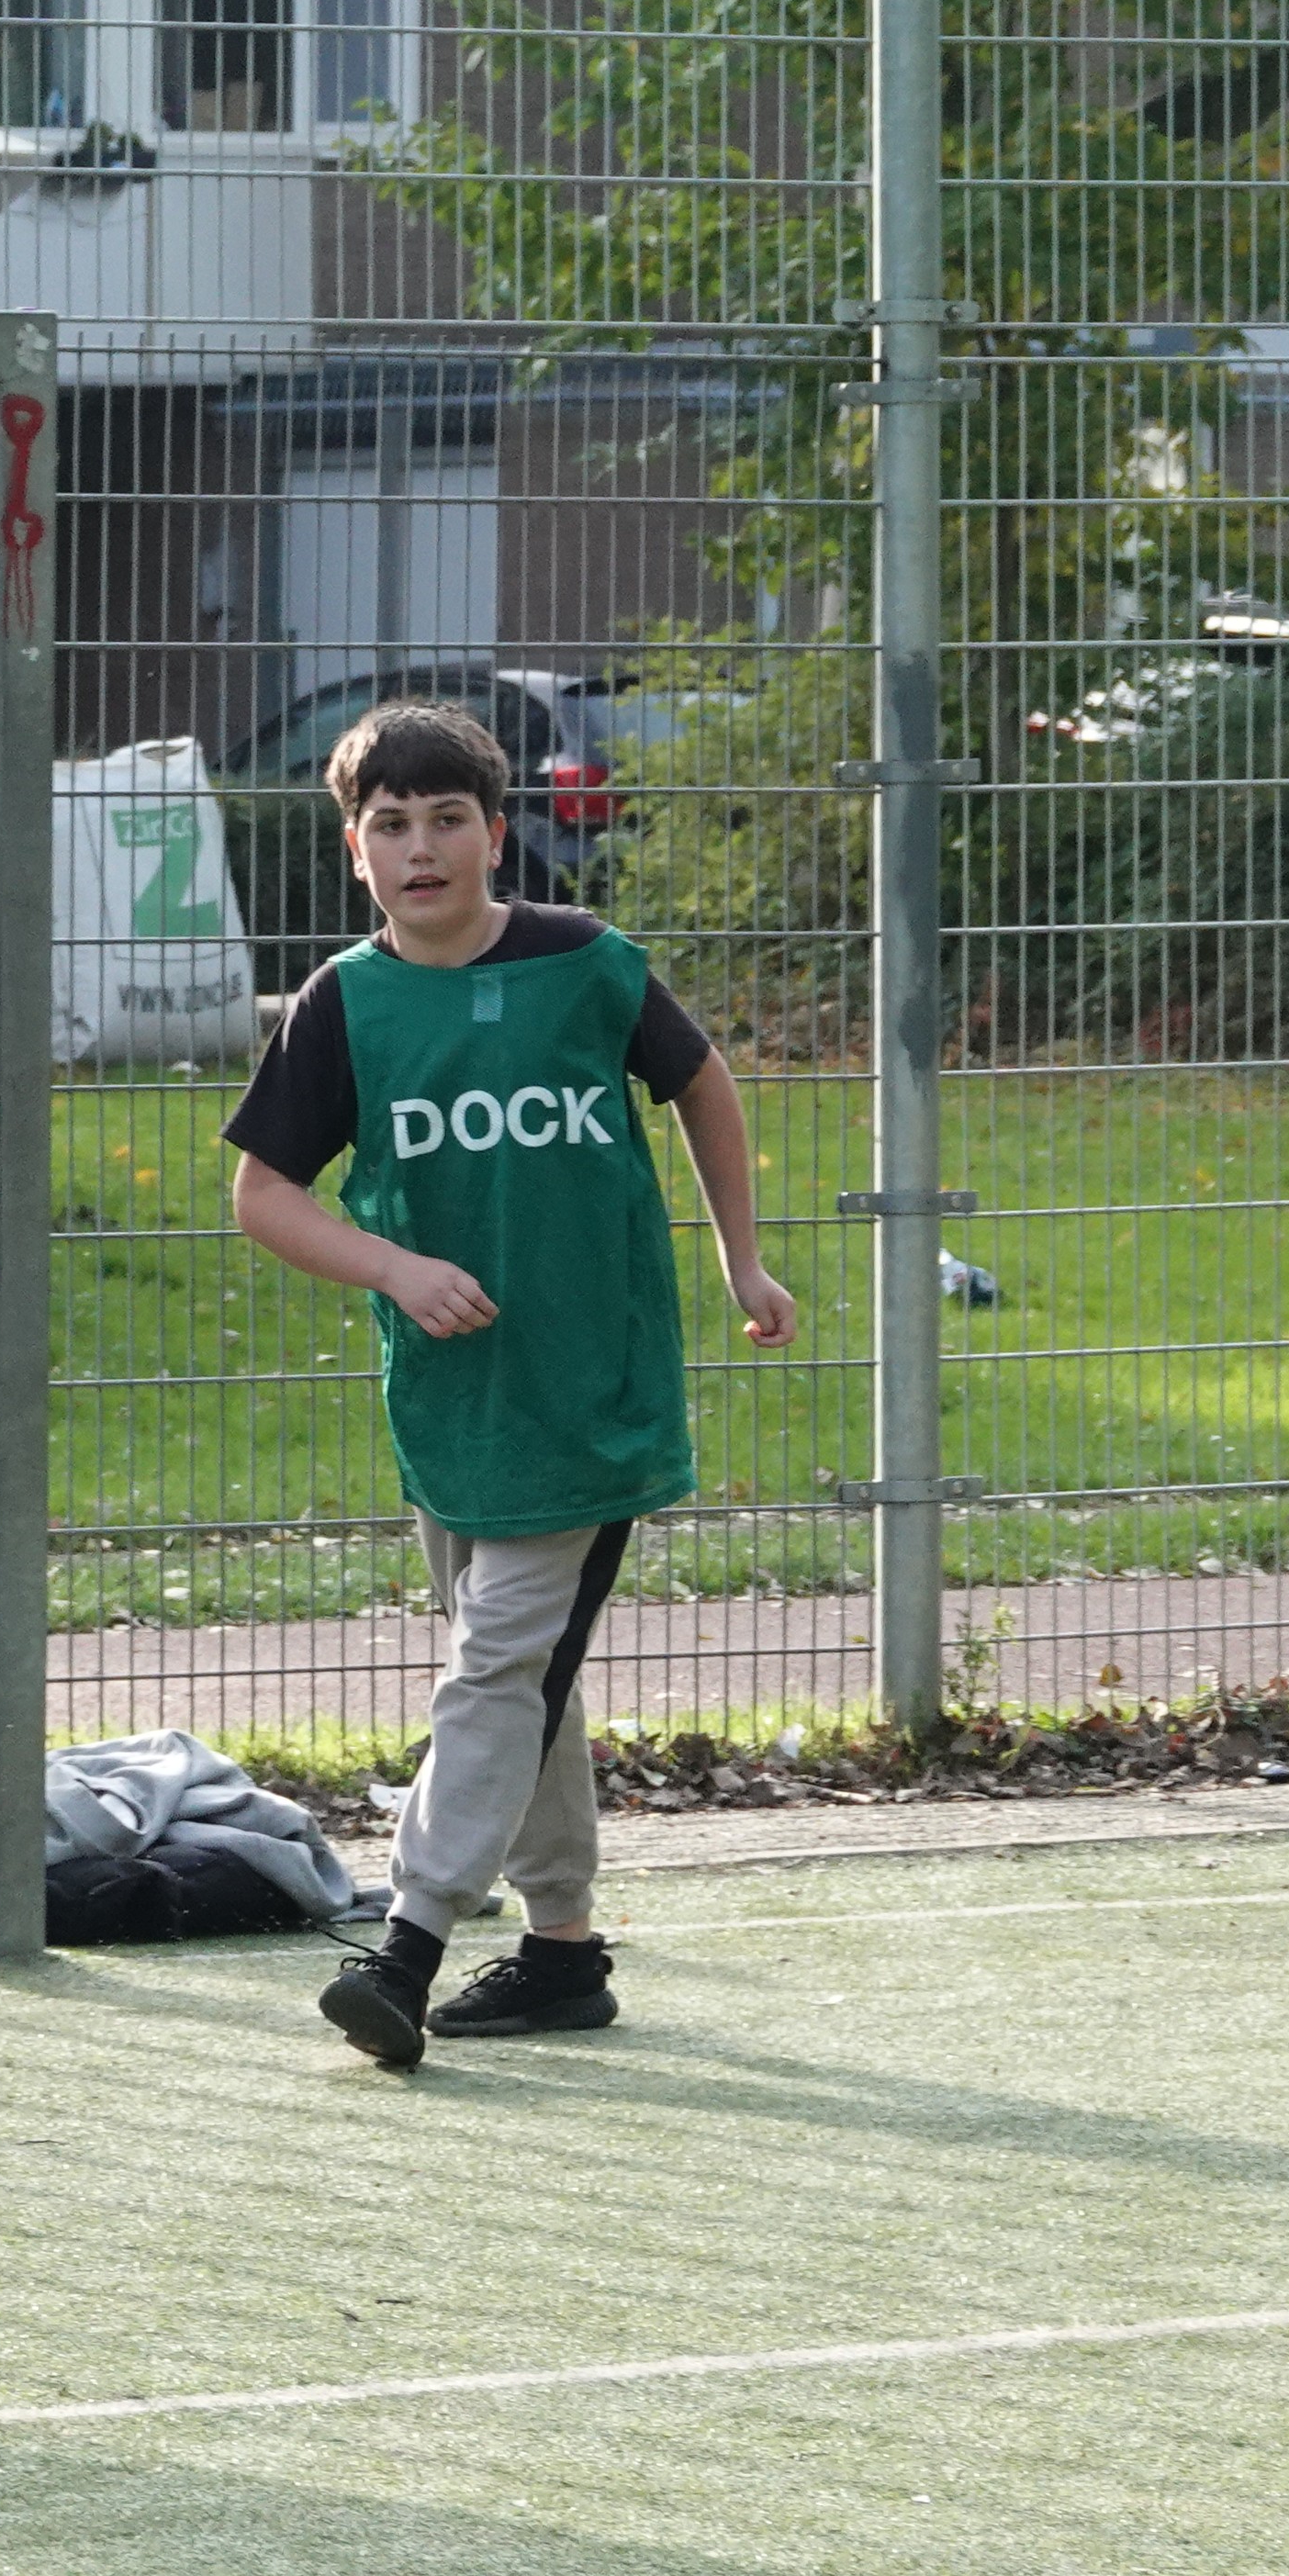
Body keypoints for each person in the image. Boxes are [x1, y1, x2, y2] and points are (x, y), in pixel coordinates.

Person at [219, 699, 798, 2070]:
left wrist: (742, 1259)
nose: (419, 848)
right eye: (390, 825)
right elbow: (262, 1196)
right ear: (355, 849)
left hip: (588, 1391)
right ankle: (561, 1953)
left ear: (494, 832)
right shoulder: (343, 1003)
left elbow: (704, 1086)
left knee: (495, 1672)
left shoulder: (585, 963)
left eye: (447, 820)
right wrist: (395, 1269)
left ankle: (407, 1946)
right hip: (448, 1399)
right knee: (520, 1675)